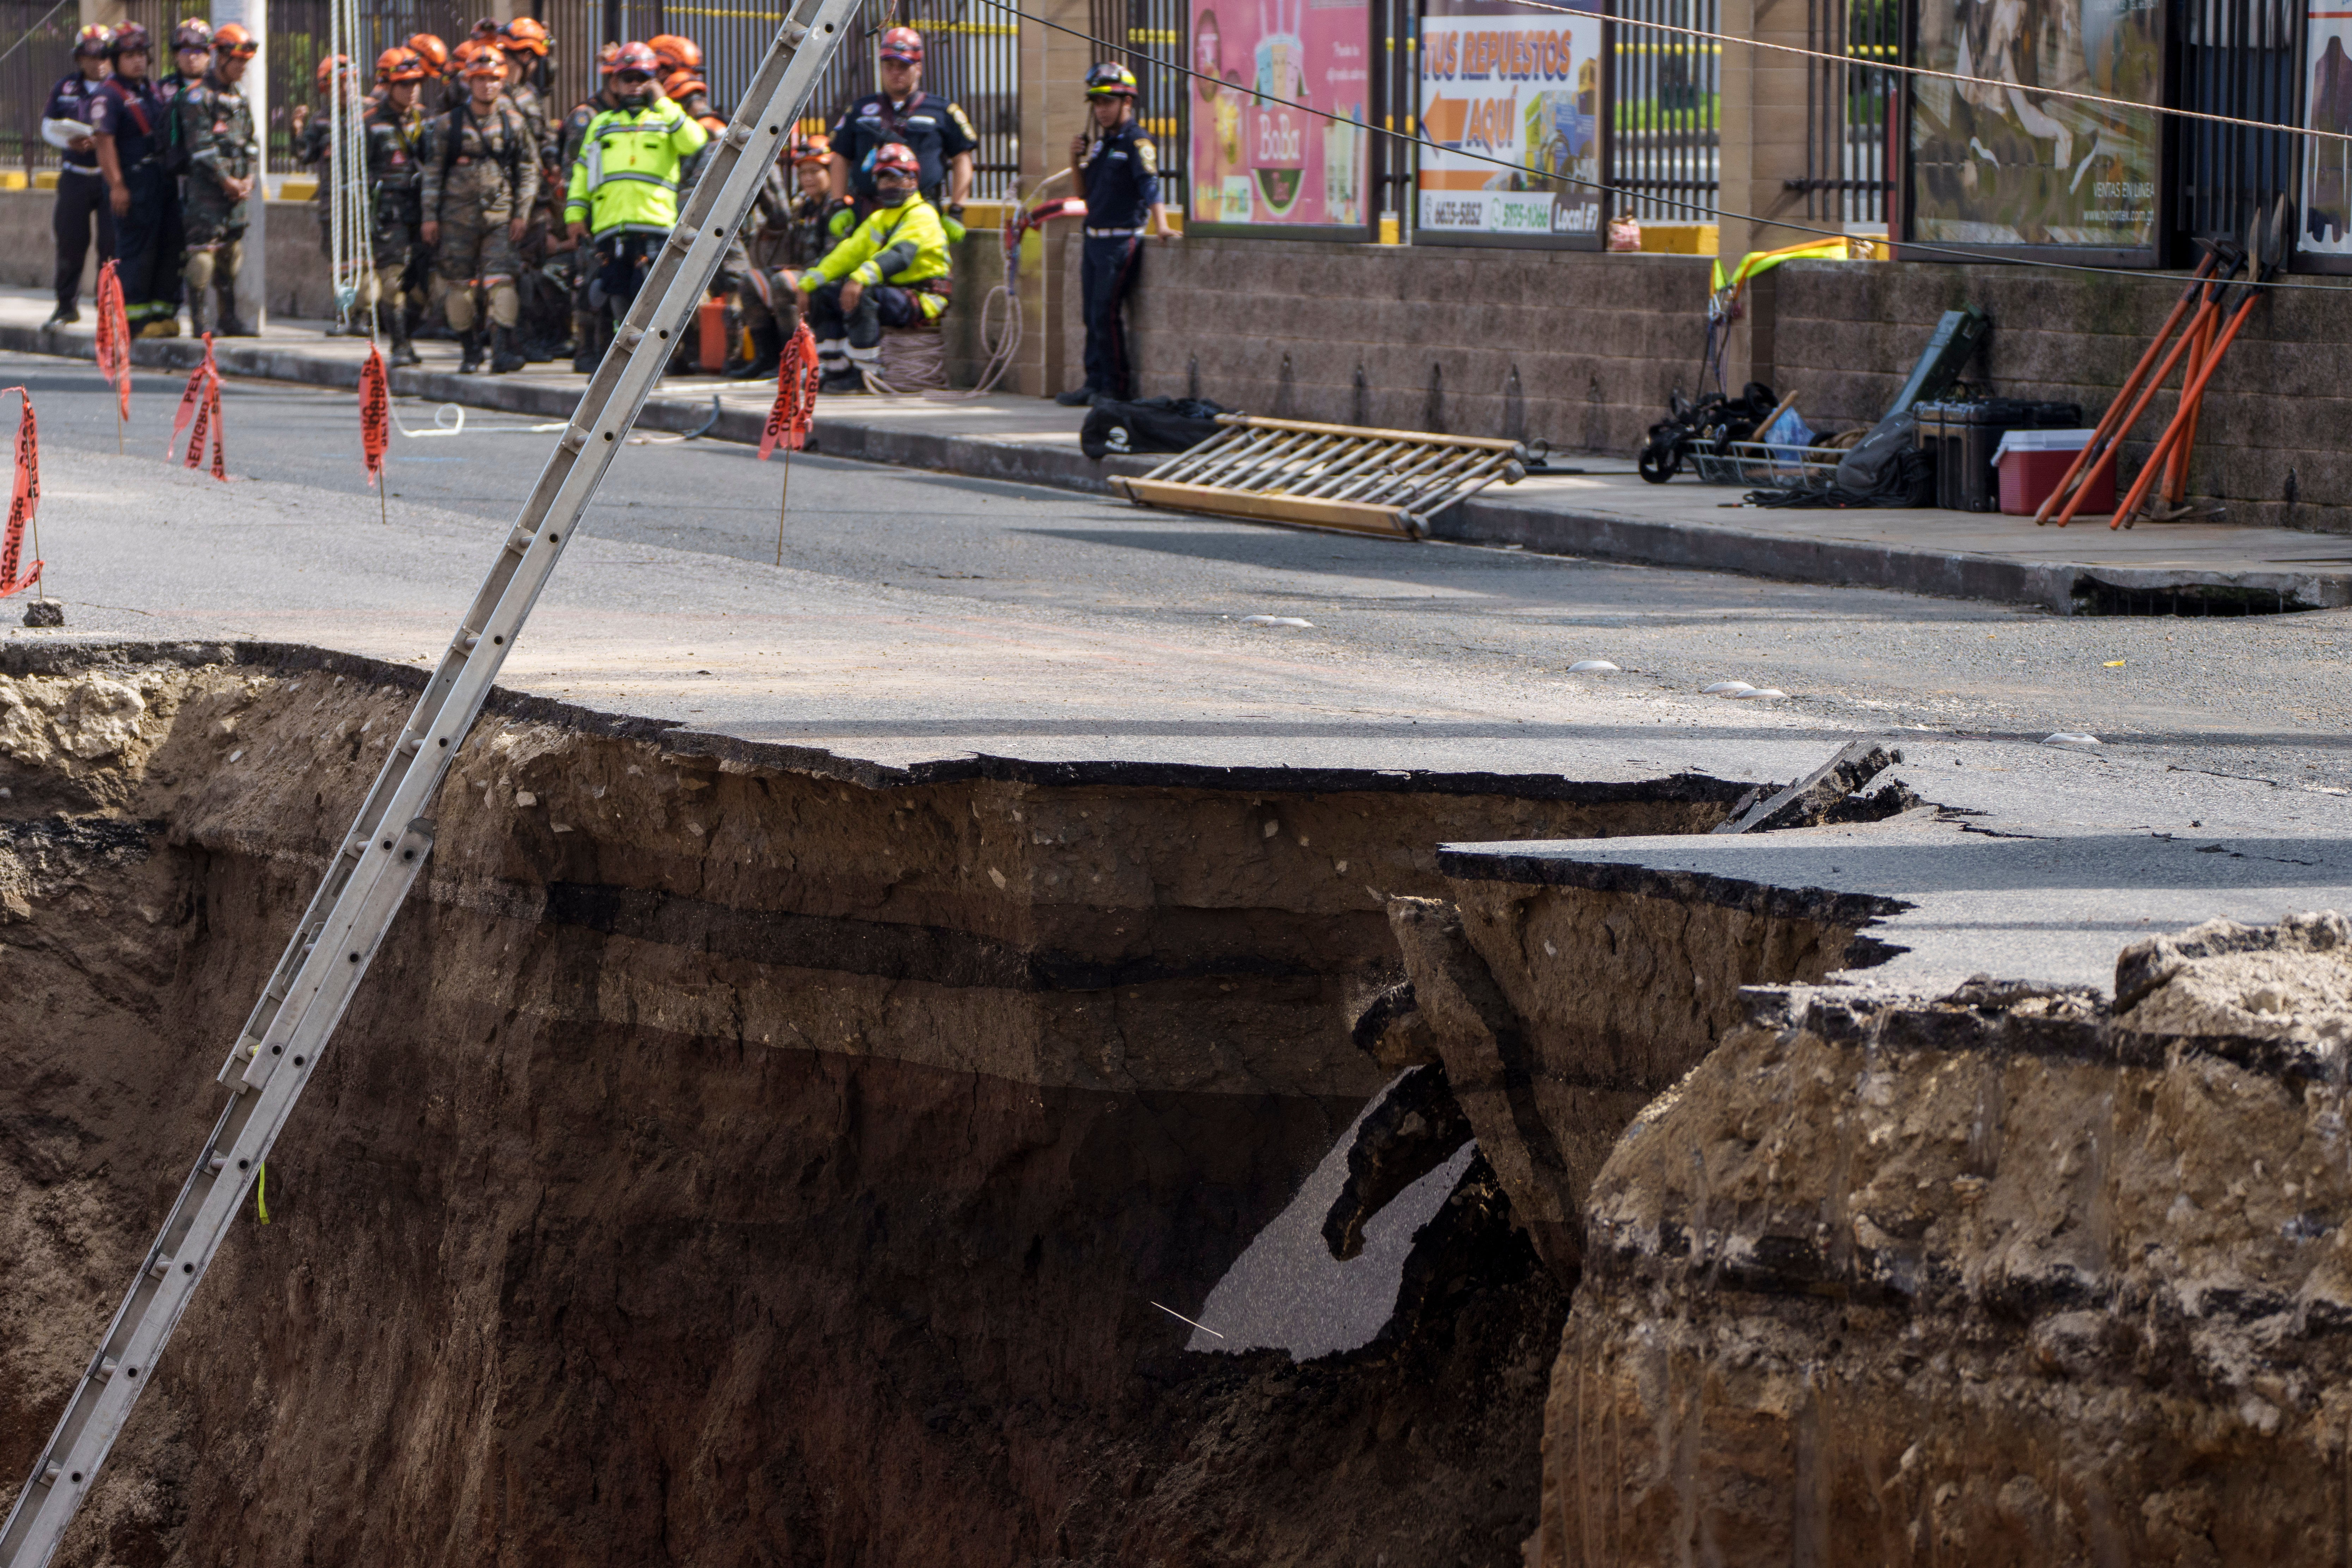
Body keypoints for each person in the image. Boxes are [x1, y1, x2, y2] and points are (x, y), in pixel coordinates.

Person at [563, 41, 706, 351]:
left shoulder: (666, 121)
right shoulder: (602, 126)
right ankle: (621, 362)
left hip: (654, 226)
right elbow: (582, 174)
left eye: (642, 78)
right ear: (615, 82)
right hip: (611, 227)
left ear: (653, 81)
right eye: (627, 78)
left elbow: (696, 142)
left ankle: (653, 361)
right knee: (615, 293)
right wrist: (574, 215)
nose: (634, 85)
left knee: (652, 298)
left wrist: (665, 102)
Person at [785, 141, 949, 393]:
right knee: (825, 295)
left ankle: (864, 373)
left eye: (896, 178)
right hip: (889, 293)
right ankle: (833, 369)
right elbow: (847, 254)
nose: (889, 185)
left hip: (923, 298)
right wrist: (809, 283)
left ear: (913, 180)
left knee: (863, 296)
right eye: (883, 179)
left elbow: (900, 256)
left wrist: (859, 280)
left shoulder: (922, 215)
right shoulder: (879, 218)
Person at [1059, 63, 1174, 406]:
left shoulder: (1138, 142)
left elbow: (1150, 185)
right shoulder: (1102, 145)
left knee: (1105, 313)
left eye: (1109, 102)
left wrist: (1162, 224)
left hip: (1120, 240)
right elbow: (1084, 194)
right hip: (1093, 236)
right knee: (1089, 315)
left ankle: (1115, 387)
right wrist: (1075, 158)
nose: (1102, 110)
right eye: (1097, 103)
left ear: (1128, 102)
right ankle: (1094, 382)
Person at [422, 49, 538, 373]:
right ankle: (470, 351)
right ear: (469, 82)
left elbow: (529, 170)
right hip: (456, 220)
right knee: (458, 287)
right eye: (481, 80)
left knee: (502, 284)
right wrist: (430, 217)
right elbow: (433, 173)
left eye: (494, 79)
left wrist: (522, 214)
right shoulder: (449, 124)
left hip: (500, 218)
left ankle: (501, 351)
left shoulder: (514, 122)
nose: (487, 86)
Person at [826, 27, 975, 241]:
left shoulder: (942, 111)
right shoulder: (859, 110)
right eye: (890, 66)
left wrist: (957, 210)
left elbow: (962, 159)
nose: (896, 72)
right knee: (864, 273)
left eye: (904, 66)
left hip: (921, 216)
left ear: (919, 67)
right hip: (869, 215)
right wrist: (838, 205)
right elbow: (840, 157)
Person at [90, 24, 181, 337]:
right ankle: (135, 321)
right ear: (116, 60)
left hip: (161, 181)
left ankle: (163, 313)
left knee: (168, 247)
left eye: (142, 55)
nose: (138, 62)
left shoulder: (152, 91)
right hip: (133, 182)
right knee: (137, 252)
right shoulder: (109, 96)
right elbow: (104, 142)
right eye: (129, 56)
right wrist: (117, 185)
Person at [731, 131, 843, 379]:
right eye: (803, 173)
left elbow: (836, 256)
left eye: (816, 171)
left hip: (828, 276)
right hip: (803, 271)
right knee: (751, 281)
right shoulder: (802, 206)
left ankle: (796, 361)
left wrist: (801, 272)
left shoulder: (837, 206)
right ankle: (768, 358)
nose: (808, 178)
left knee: (782, 283)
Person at [174, 22, 259, 337]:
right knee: (203, 256)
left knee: (230, 255)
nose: (242, 68)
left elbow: (252, 142)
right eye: (237, 61)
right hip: (207, 192)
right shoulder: (197, 97)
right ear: (220, 57)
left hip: (236, 192)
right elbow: (201, 148)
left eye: (245, 62)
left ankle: (229, 318)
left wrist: (248, 178)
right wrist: (227, 181)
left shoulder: (240, 97)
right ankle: (200, 322)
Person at [360, 48, 432, 363]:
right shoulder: (370, 124)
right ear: (387, 85)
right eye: (404, 83)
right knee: (392, 280)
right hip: (388, 215)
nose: (411, 89)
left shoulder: (425, 120)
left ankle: (408, 334)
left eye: (416, 82)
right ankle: (400, 346)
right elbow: (354, 176)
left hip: (422, 211)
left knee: (424, 283)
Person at [40, 25, 115, 326]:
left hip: (109, 176)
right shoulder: (65, 88)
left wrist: (104, 141)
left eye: (103, 55)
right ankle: (66, 305)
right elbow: (48, 126)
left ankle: (107, 308)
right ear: (79, 58)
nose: (97, 62)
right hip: (74, 174)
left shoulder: (119, 89)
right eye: (89, 55)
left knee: (112, 246)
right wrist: (68, 141)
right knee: (70, 241)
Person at [557, 43, 625, 371]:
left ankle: (606, 351)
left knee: (613, 283)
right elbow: (575, 172)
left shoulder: (629, 117)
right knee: (589, 282)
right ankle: (586, 351)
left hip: (619, 214)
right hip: (593, 215)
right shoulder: (587, 117)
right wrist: (578, 214)